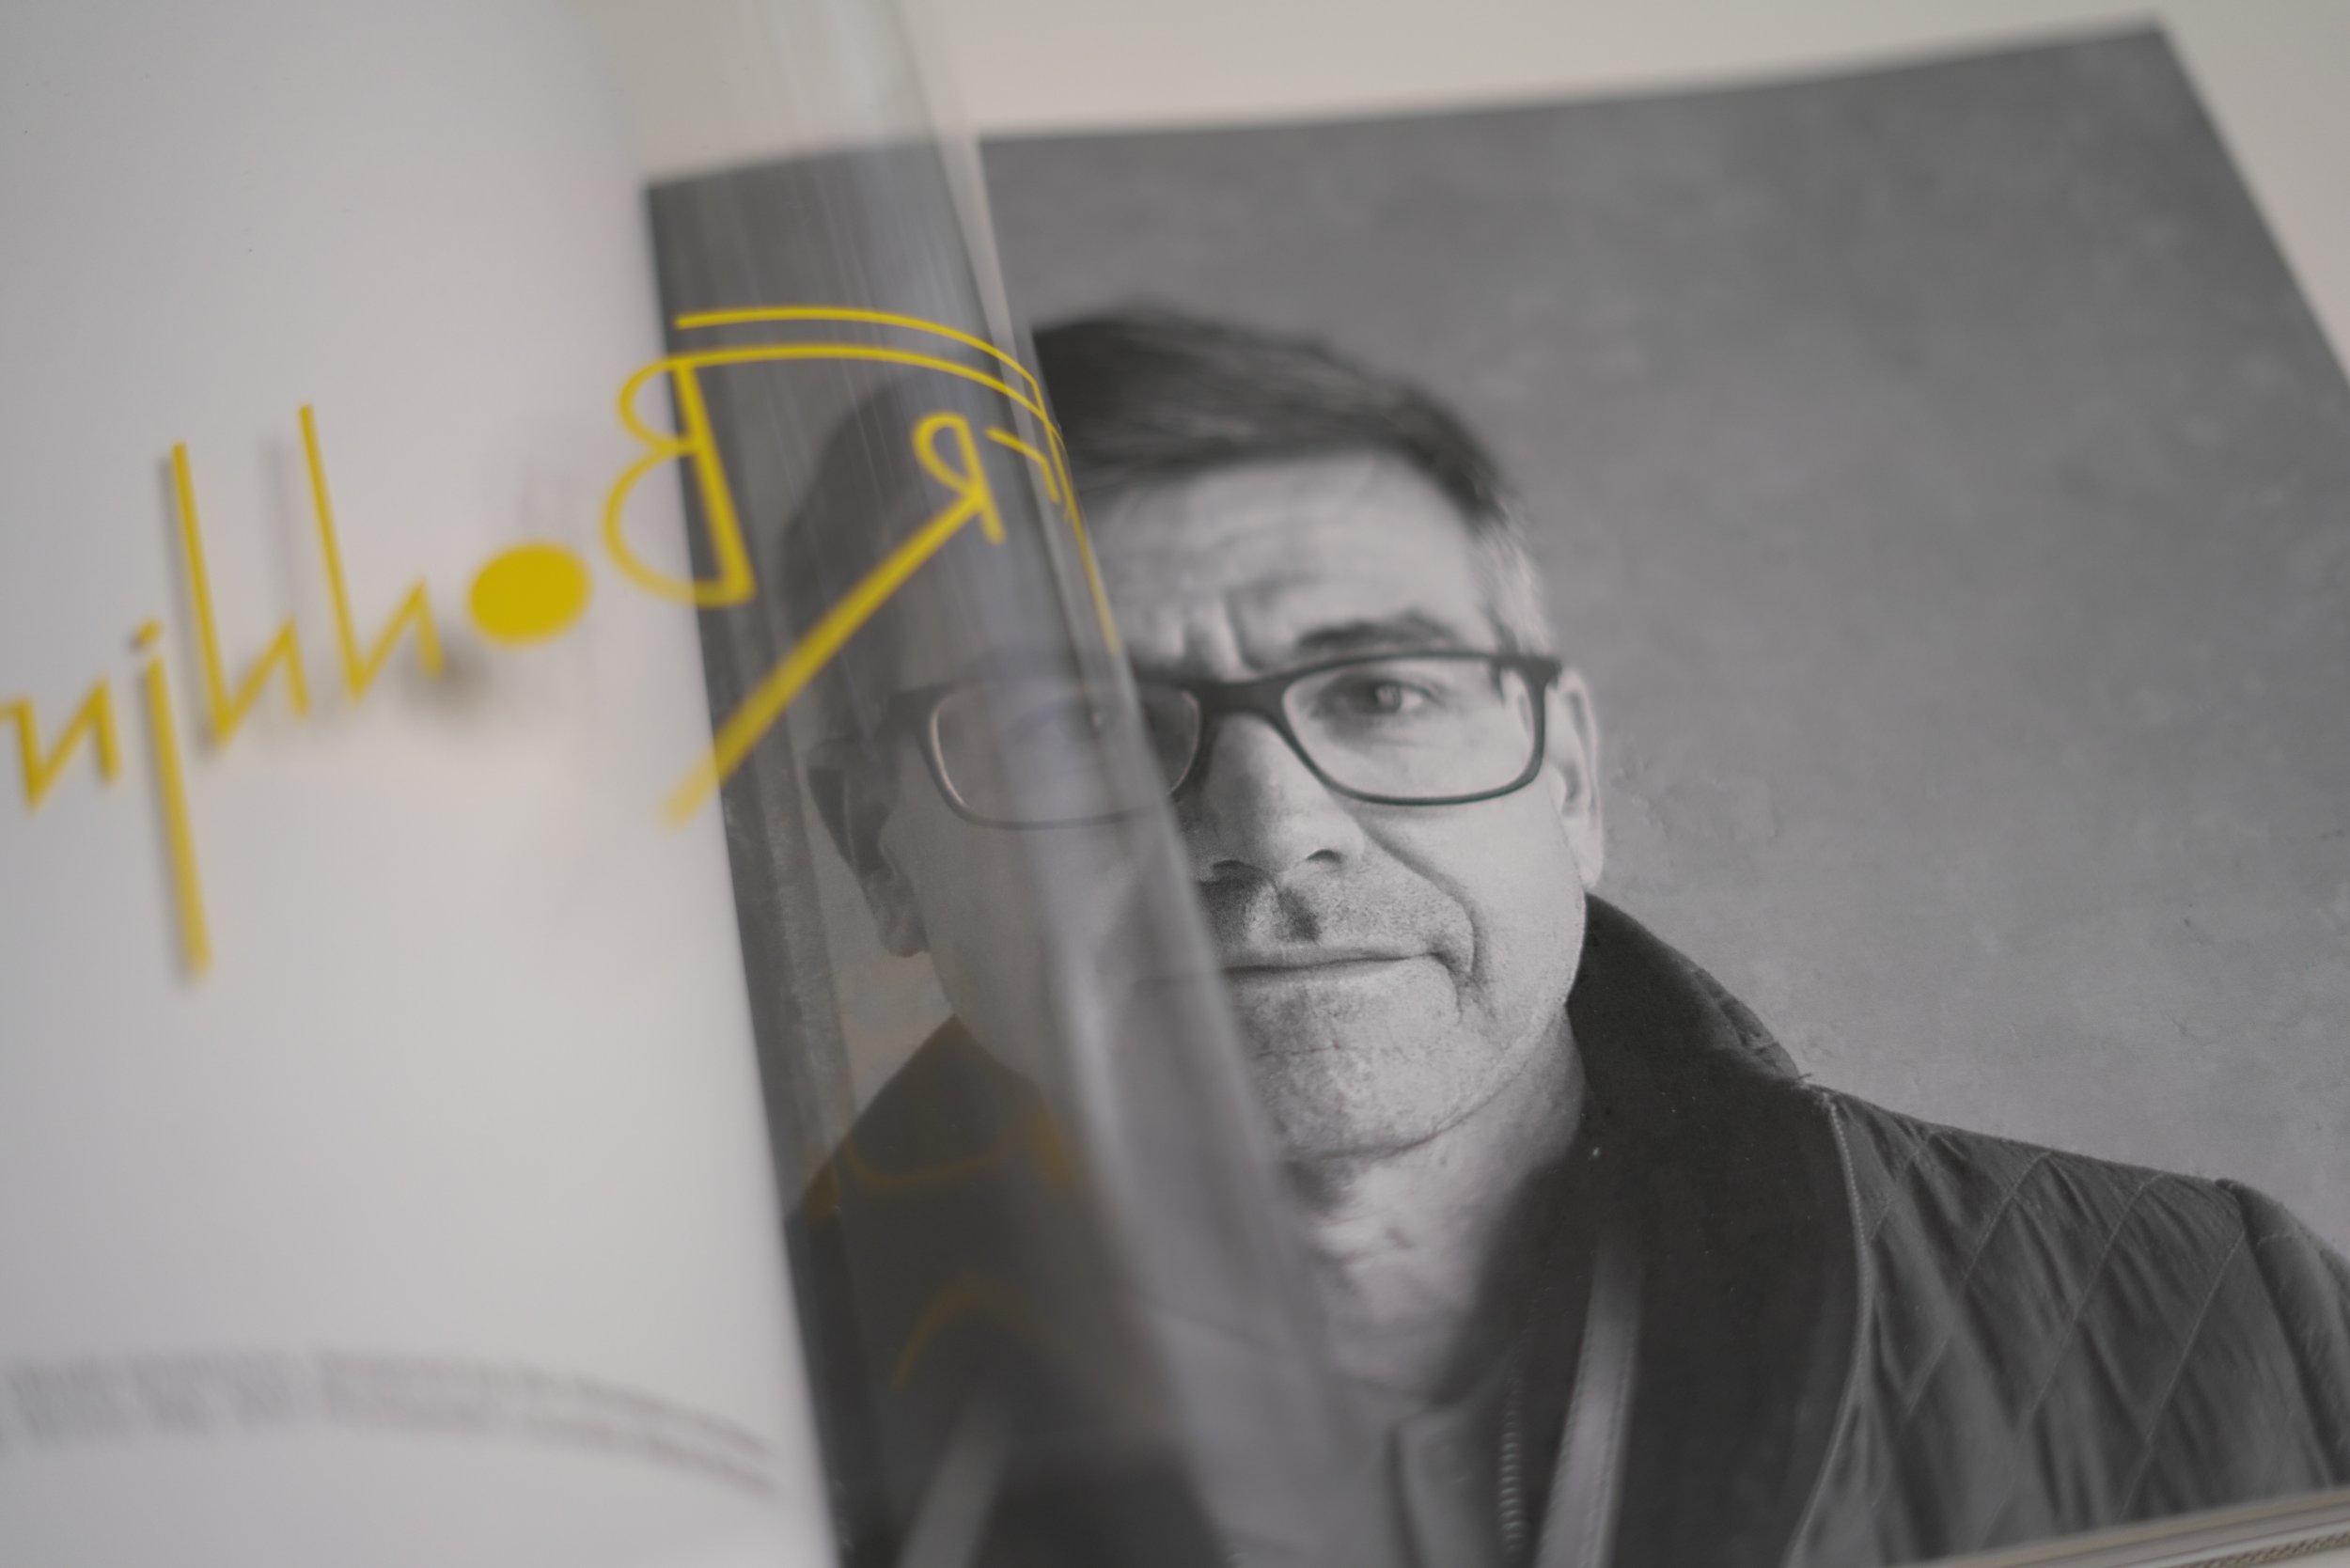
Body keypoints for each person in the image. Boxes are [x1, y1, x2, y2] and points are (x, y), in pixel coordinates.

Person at [779, 309, 2350, 1568]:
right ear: (878, 851)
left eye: (1383, 692)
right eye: (1075, 722)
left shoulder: (2231, 1317)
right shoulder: (714, 1422)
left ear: (1573, 779)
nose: (1272, 822)